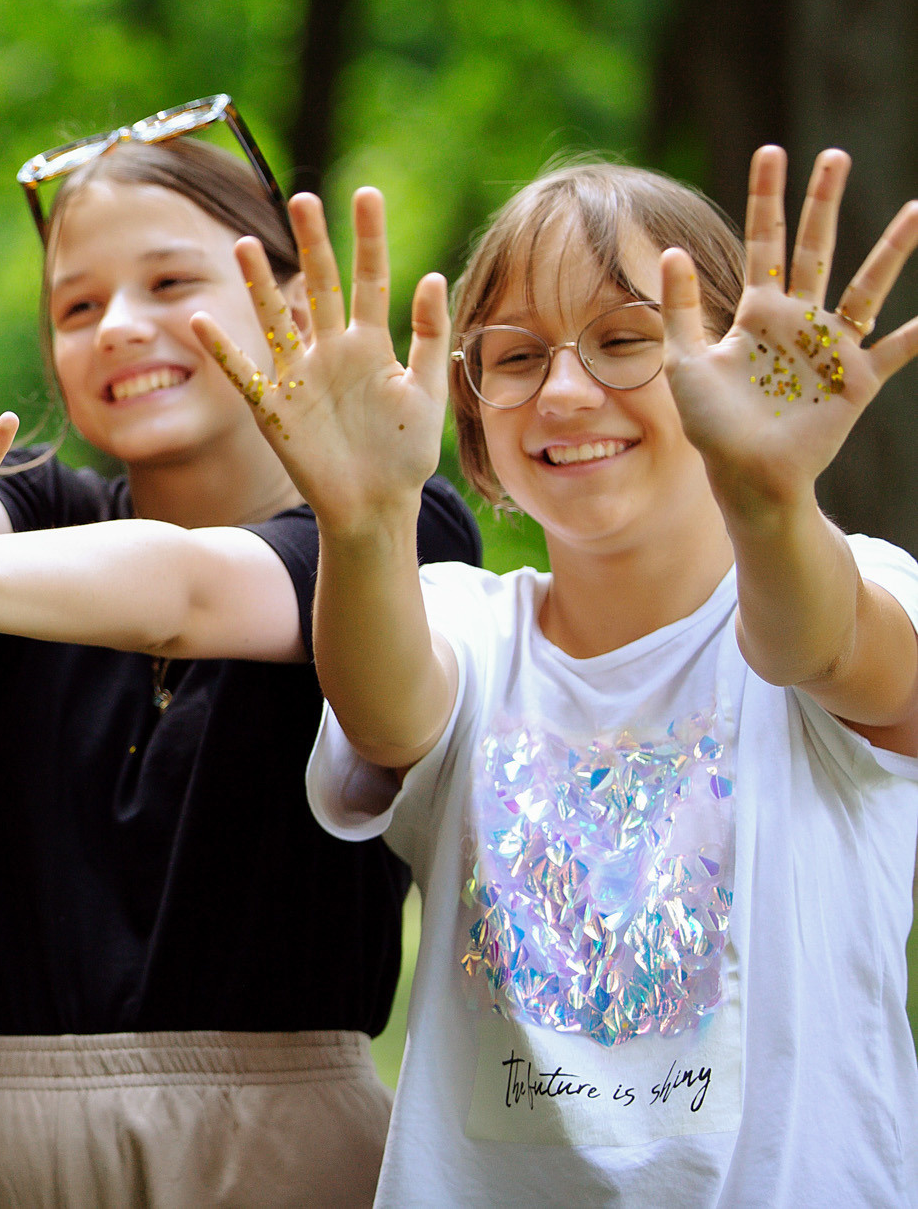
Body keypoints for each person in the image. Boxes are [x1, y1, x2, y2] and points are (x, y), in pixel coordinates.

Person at [0, 116, 482, 1209]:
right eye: (76, 305)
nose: (118, 327)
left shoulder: (389, 531)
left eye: (169, 279)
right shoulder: (39, 507)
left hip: (271, 1155)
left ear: (285, 296)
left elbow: (181, 590)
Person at [201, 152, 918, 1204]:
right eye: (517, 357)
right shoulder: (460, 620)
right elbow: (389, 709)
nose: (567, 389)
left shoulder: (860, 584)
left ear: (734, 367)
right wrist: (362, 518)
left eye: (626, 341)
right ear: (475, 410)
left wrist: (768, 493)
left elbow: (822, 645)